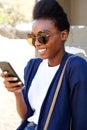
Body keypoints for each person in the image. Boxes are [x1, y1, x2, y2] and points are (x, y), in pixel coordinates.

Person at [1, 0, 87, 130]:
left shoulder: (75, 67)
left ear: (63, 35)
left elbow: (81, 122)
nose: (37, 43)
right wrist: (18, 92)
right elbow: (26, 115)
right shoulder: (32, 67)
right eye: (33, 37)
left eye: (43, 37)